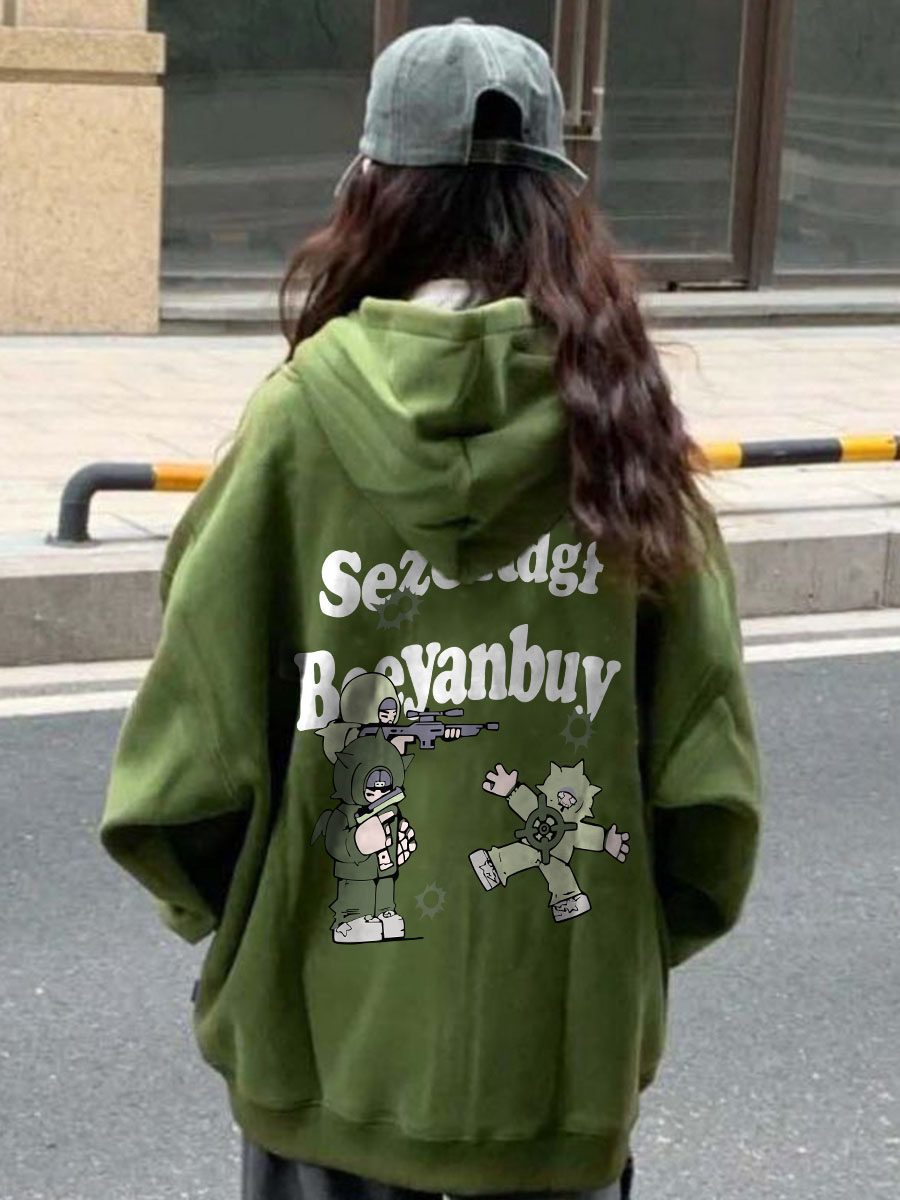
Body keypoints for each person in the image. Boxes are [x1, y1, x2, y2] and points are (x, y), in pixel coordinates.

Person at [99, 17, 763, 1200]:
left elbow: (179, 783)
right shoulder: (626, 430)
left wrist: (259, 929)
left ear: (372, 190)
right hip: (558, 1081)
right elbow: (709, 802)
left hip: (323, 1064)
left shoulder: (300, 423)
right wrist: (611, 956)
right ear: (560, 204)